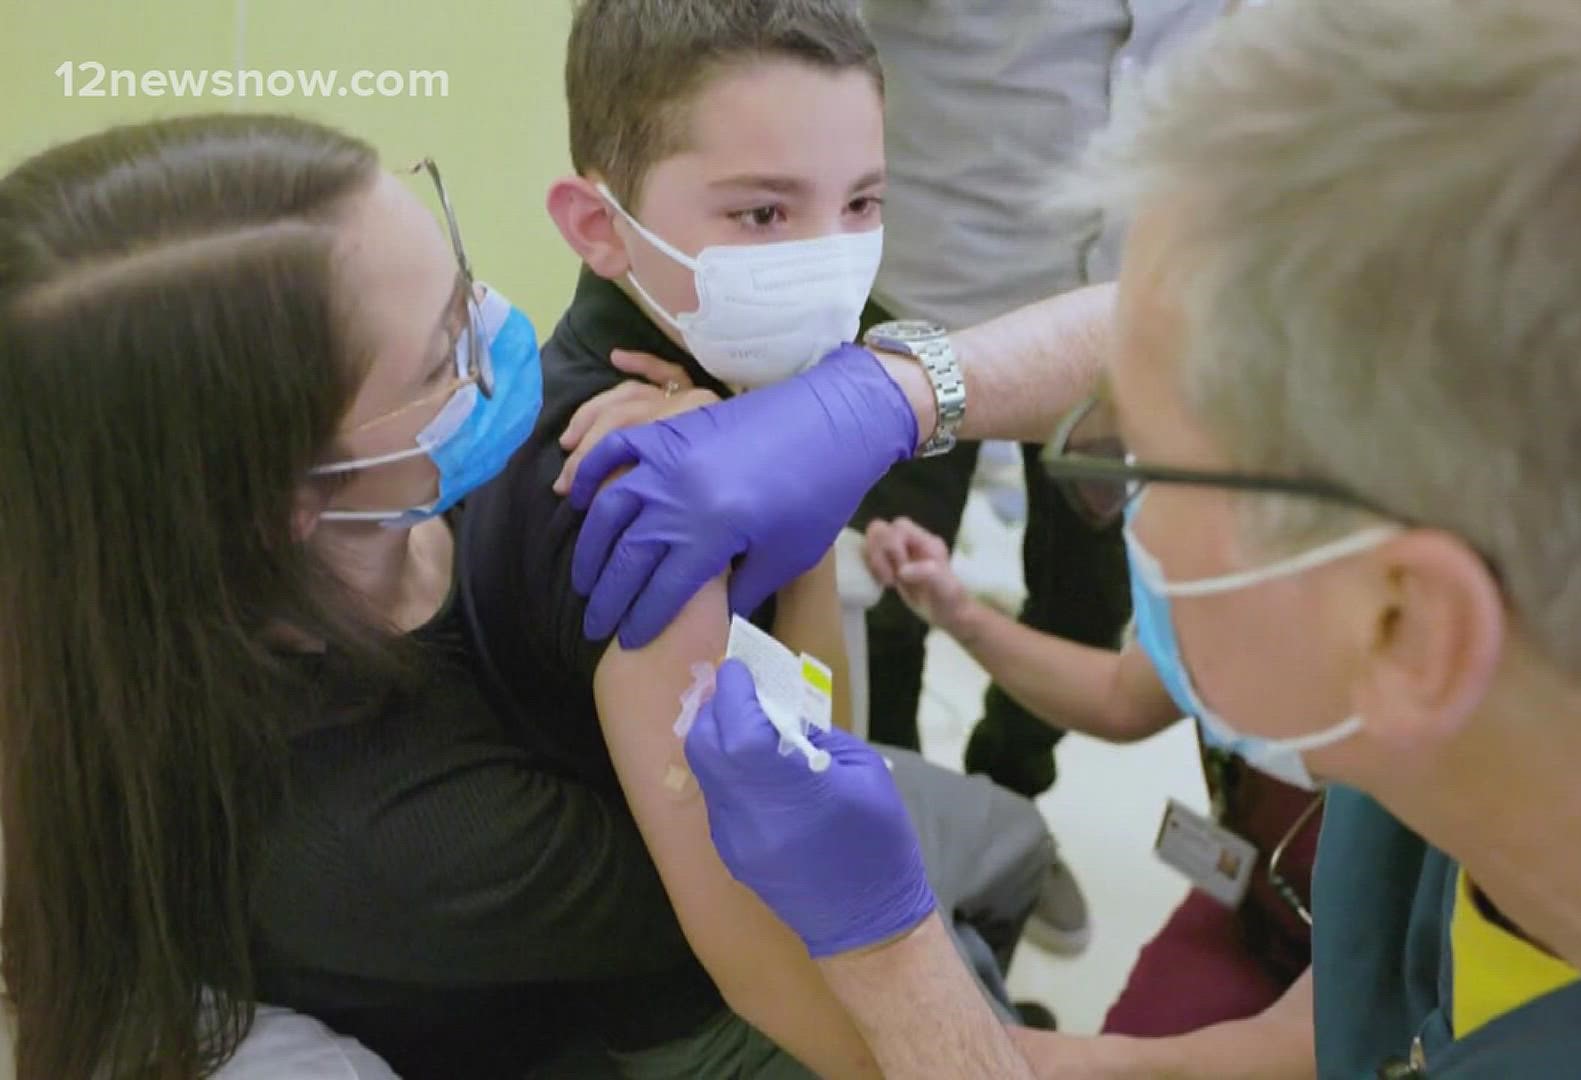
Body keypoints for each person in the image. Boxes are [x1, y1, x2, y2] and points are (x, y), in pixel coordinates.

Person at [570, 0, 1581, 1075]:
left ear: (1403, 627)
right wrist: (896, 392)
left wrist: (891, 959)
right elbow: (1295, 1047)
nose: (1115, 492)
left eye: (1144, 449)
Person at [0, 113, 740, 1080]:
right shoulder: (388, 835)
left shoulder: (410, 499)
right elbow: (758, 895)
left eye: (461, 273)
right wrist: (746, 524)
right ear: (283, 502)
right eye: (444, 357)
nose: (495, 323)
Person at [457, 1, 1056, 1074]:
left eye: (863, 200)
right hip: (683, 1011)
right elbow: (766, 963)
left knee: (1001, 853)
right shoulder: (633, 485)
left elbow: (818, 727)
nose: (832, 261)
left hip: (738, 895)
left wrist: (807, 509)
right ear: (598, 224)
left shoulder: (702, 401)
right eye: (764, 216)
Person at [849, 1, 1228, 958]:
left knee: (1091, 597)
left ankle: (1007, 808)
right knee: (878, 595)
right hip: (929, 288)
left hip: (1149, 300)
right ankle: (904, 833)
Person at [864, 514, 1317, 1033]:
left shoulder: (1409, 787)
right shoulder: (1243, 599)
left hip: (1357, 981)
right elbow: (1122, 698)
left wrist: (1099, 1065)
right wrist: (959, 614)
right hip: (1255, 897)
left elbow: (1364, 1014)